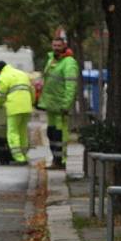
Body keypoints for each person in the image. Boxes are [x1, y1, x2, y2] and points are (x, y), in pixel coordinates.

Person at [37, 29, 79, 169]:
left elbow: (71, 86)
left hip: (60, 106)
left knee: (60, 135)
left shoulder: (69, 63)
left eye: (58, 46)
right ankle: (56, 159)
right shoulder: (52, 60)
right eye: (54, 45)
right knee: (51, 133)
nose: (56, 48)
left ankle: (61, 160)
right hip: (50, 106)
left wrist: (66, 105)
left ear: (64, 46)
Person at [0, 60, 34, 165]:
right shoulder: (22, 74)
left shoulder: (3, 77)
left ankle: (18, 157)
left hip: (14, 107)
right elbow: (32, 90)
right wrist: (31, 103)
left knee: (13, 132)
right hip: (26, 107)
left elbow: (1, 96)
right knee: (23, 131)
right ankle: (24, 154)